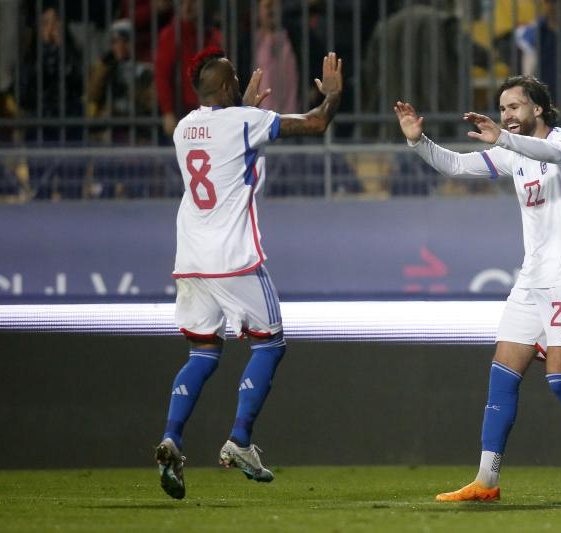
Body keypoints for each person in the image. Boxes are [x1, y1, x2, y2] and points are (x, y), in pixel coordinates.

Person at [394, 75, 561, 502]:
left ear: (538, 108)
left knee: (560, 379)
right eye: (502, 109)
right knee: (502, 376)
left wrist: (504, 139)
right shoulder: (510, 152)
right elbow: (459, 165)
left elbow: (551, 153)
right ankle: (486, 480)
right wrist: (418, 141)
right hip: (530, 282)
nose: (506, 115)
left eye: (514, 106)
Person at [155, 47, 342, 500]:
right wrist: (333, 96)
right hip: (233, 257)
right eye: (235, 78)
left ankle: (172, 439)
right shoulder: (243, 121)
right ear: (223, 87)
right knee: (270, 341)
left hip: (191, 259)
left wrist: (245, 110)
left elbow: (225, 142)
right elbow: (315, 122)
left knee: (202, 354)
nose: (241, 81)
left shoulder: (183, 129)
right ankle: (239, 439)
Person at [154, 0, 223, 137]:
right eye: (183, 2)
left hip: (211, 115)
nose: (187, 6)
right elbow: (162, 76)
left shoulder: (213, 36)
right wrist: (168, 112)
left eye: (192, 2)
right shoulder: (170, 35)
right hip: (182, 116)